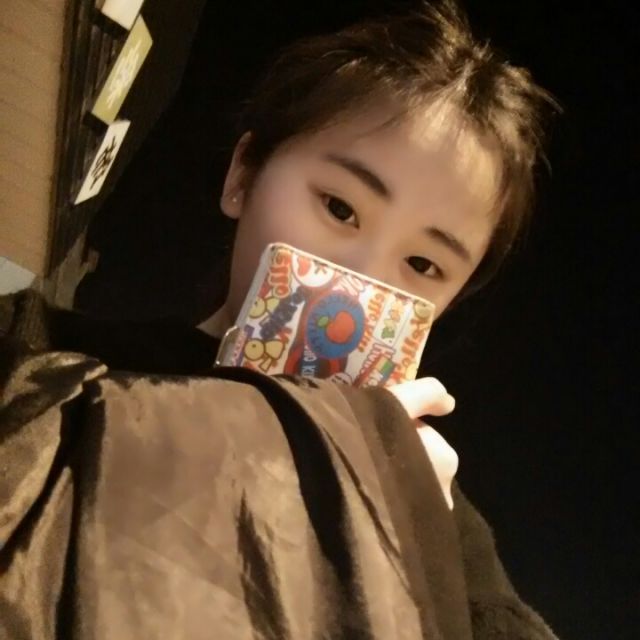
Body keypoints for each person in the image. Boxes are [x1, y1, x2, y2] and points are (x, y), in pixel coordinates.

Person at [0, 1, 559, 638]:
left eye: (423, 265)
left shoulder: (441, 523)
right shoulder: (35, 353)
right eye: (340, 208)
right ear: (243, 175)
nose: (361, 281)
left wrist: (422, 556)